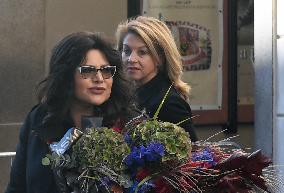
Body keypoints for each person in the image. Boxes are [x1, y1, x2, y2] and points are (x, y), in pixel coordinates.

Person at [5, 31, 134, 193]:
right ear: (66, 75)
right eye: (88, 70)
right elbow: (17, 187)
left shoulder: (127, 125)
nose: (99, 78)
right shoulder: (40, 118)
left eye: (106, 70)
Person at [116, 16, 198, 142]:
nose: (131, 59)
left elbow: (192, 155)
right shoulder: (126, 93)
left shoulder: (170, 104)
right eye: (126, 51)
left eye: (142, 52)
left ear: (160, 58)